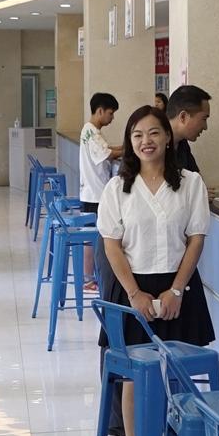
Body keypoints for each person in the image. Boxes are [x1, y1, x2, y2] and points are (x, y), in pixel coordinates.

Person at [96, 105, 213, 436]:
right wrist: (134, 293)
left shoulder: (190, 183)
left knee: (179, 375)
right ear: (129, 142)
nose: (145, 141)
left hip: (178, 287)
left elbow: (196, 238)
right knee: (135, 377)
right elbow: (112, 245)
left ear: (167, 137)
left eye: (153, 133)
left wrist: (177, 290)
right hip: (133, 289)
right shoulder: (118, 187)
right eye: (137, 135)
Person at [77, 91, 124, 293]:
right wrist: (129, 149)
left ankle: (90, 277)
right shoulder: (91, 132)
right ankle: (88, 279)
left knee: (93, 238)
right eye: (111, 113)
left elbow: (107, 149)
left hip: (92, 192)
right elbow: (107, 154)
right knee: (93, 240)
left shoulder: (91, 131)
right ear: (100, 111)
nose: (112, 118)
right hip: (94, 195)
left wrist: (122, 147)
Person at [166, 84, 212, 176]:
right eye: (204, 119)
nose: (205, 127)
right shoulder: (154, 148)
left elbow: (197, 179)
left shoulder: (182, 143)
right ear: (183, 117)